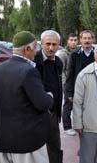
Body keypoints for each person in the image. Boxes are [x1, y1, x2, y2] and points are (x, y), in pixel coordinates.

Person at [0, 31, 54, 163]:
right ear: (27, 49)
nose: (36, 52)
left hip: (3, 140)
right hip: (27, 143)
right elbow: (43, 104)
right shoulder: (28, 71)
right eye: (35, 48)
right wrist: (50, 96)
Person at [34, 30, 63, 163]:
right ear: (41, 44)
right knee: (37, 149)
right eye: (48, 44)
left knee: (55, 147)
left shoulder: (58, 62)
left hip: (53, 113)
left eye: (54, 44)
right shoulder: (34, 60)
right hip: (37, 113)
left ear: (59, 45)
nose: (51, 48)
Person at [64, 30, 95, 135]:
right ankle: (71, 127)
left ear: (92, 40)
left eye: (89, 38)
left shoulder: (96, 53)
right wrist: (69, 92)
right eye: (84, 38)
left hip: (92, 87)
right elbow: (70, 75)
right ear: (80, 40)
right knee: (74, 108)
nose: (87, 40)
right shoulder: (74, 55)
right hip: (78, 87)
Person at [56, 33, 78, 136]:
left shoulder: (79, 52)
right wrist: (65, 84)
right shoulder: (63, 54)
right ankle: (67, 126)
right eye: (71, 40)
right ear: (67, 41)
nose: (73, 42)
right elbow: (60, 71)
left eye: (75, 40)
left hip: (78, 83)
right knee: (68, 105)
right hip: (68, 84)